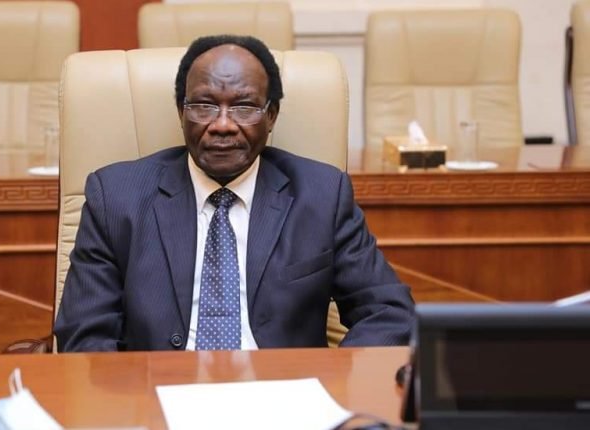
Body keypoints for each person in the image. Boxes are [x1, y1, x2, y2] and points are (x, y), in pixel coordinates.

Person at [54, 35, 414, 352]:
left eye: (244, 107)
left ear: (271, 116)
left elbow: (389, 312)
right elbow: (85, 333)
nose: (223, 125)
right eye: (204, 105)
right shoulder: (116, 197)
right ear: (181, 112)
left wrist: (332, 382)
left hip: (285, 394)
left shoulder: (321, 195)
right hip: (157, 393)